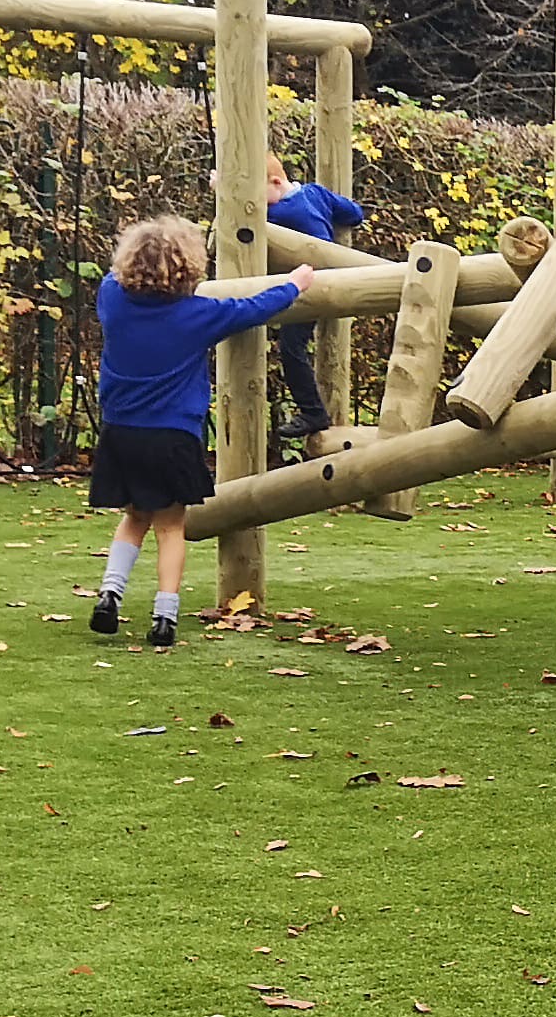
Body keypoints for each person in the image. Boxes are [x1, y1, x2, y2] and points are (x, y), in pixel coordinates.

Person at [87, 215, 313, 649]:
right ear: (189, 268)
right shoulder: (200, 313)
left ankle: (110, 593)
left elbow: (113, 278)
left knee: (134, 515)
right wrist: (294, 284)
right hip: (173, 434)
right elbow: (252, 309)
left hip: (121, 430)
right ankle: (164, 615)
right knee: (171, 527)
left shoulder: (112, 298)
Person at [262, 153, 363, 448]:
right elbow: (354, 214)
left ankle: (313, 413)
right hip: (330, 281)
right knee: (296, 346)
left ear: (276, 183)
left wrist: (222, 192)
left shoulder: (282, 214)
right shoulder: (314, 193)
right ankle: (314, 412)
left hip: (311, 286)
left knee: (291, 347)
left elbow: (241, 218)